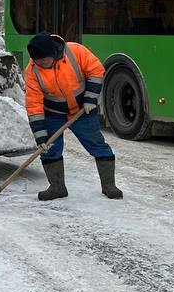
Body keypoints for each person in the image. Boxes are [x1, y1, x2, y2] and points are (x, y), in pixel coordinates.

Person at [24, 32, 122, 201]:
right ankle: (57, 187)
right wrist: (41, 137)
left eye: (43, 61)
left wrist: (91, 98)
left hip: (83, 110)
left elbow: (96, 70)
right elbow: (34, 105)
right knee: (49, 149)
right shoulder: (33, 70)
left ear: (53, 53)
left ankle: (109, 185)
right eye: (37, 61)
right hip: (53, 113)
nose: (40, 64)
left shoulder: (75, 51)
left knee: (97, 144)